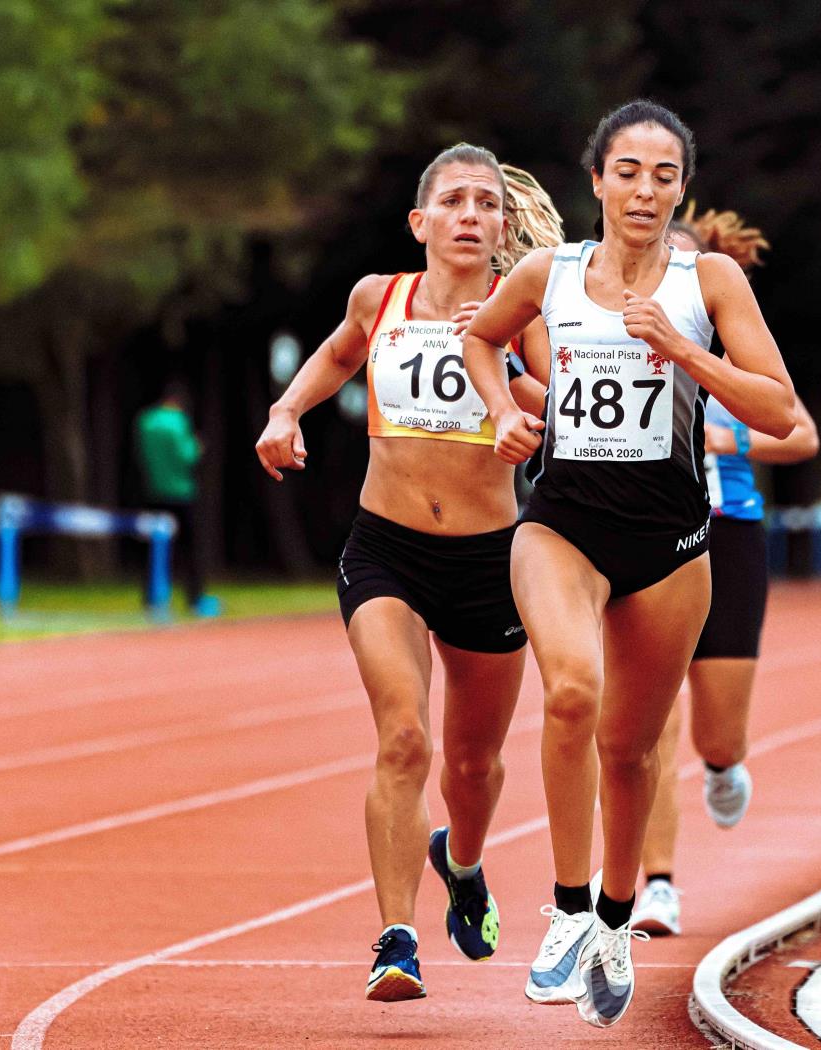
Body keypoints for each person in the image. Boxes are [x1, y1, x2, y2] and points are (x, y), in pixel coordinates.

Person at [463, 100, 797, 1028]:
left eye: (663, 174)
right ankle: (569, 911)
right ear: (598, 179)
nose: (644, 190)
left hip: (670, 542)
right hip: (561, 524)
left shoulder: (710, 279)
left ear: (681, 186)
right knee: (571, 691)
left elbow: (777, 410)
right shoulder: (549, 272)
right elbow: (481, 338)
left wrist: (684, 350)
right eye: (628, 172)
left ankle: (616, 914)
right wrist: (502, 413)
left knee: (631, 746)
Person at [254, 145, 562, 1003]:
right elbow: (338, 357)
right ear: (421, 223)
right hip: (385, 547)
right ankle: (395, 939)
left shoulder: (523, 312)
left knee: (473, 764)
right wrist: (285, 412)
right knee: (403, 739)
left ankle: (461, 862)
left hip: (489, 561)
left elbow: (558, 399)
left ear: (504, 227)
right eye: (453, 200)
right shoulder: (378, 296)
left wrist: (519, 403)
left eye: (487, 202)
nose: (471, 213)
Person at [631, 209, 820, 937]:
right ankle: (657, 885)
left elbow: (800, 433)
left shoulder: (732, 345)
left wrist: (725, 432)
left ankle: (722, 766)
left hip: (729, 533)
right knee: (648, 723)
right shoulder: (619, 333)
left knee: (715, 737)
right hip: (645, 534)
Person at [134, 380, 217, 615]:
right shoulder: (178, 422)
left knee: (154, 547)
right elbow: (186, 456)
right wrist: (197, 447)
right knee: (191, 550)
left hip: (153, 491)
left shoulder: (146, 420)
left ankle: (151, 598)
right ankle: (195, 599)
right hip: (181, 493)